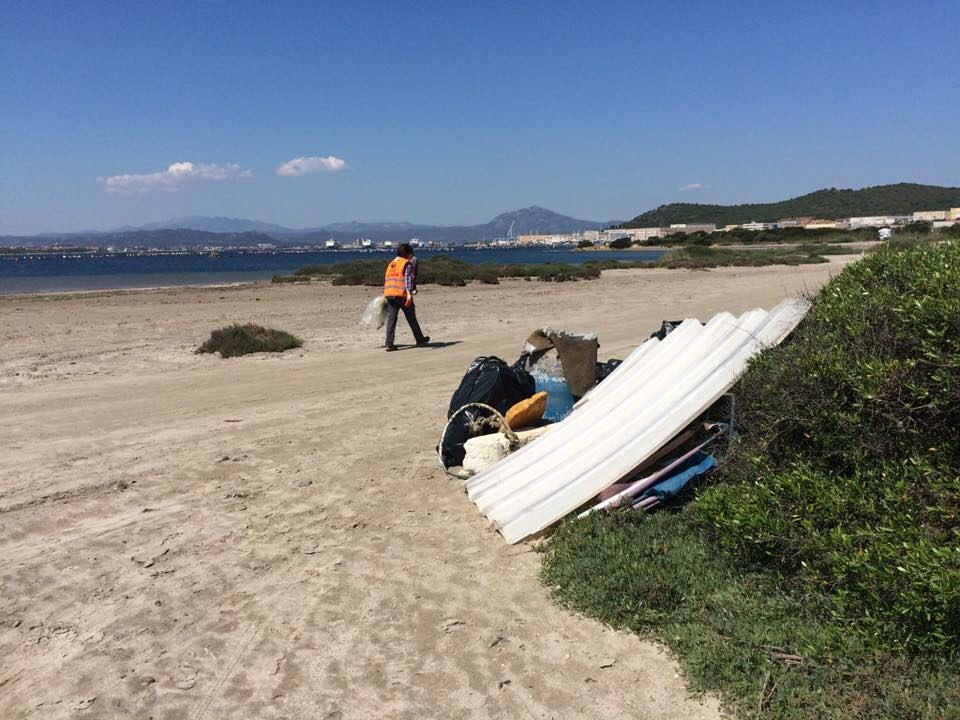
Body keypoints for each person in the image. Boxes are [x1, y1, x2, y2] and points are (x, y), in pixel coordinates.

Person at [383, 243, 430, 351]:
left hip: (389, 293)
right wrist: (409, 294)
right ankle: (420, 340)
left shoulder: (391, 264)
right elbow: (408, 280)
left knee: (392, 319)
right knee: (411, 318)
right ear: (408, 254)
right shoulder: (406, 263)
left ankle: (389, 343)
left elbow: (387, 278)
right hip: (402, 294)